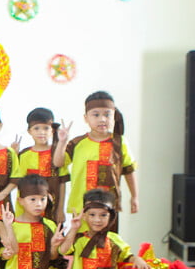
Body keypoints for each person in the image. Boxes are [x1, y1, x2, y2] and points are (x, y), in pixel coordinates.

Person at [53, 91, 138, 232]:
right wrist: (62, 142)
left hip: (108, 209)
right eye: (96, 115)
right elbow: (58, 163)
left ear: (114, 116)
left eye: (107, 114)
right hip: (81, 208)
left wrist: (134, 197)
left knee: (107, 244)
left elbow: (129, 170)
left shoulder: (119, 142)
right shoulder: (77, 143)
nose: (102, 119)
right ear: (86, 118)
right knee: (81, 242)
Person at [59, 188, 149, 269]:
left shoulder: (113, 239)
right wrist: (73, 229)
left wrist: (137, 259)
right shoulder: (78, 238)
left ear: (110, 216)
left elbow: (127, 255)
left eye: (103, 215)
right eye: (92, 215)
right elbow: (63, 250)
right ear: (84, 215)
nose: (97, 220)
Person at [0, 174, 65, 269]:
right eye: (33, 200)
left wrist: (54, 246)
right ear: (21, 201)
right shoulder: (13, 225)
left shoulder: (49, 225)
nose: (38, 204)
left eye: (42, 199)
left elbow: (53, 257)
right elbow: (5, 254)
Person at [12, 107, 68, 224]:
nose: (41, 132)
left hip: (52, 208)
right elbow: (17, 182)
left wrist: (60, 209)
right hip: (27, 211)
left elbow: (62, 182)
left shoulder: (57, 154)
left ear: (52, 130)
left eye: (46, 128)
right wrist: (14, 155)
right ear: (29, 131)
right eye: (36, 128)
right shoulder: (24, 155)